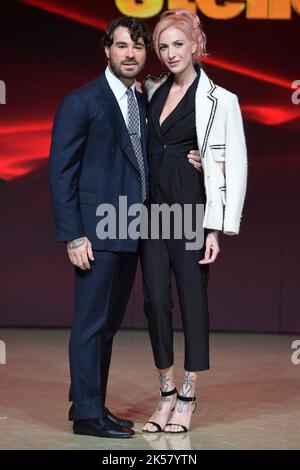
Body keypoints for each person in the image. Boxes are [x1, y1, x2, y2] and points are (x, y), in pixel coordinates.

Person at [48, 16, 200, 439]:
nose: (130, 54)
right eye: (121, 46)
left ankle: (91, 403)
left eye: (137, 47)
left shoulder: (145, 99)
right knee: (90, 324)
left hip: (132, 230)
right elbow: (62, 174)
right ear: (106, 51)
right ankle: (86, 415)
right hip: (95, 234)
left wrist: (198, 160)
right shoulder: (82, 101)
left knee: (108, 325)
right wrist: (73, 234)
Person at [142, 8, 247, 433]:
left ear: (195, 44)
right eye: (162, 46)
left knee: (191, 303)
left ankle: (188, 393)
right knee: (153, 302)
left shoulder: (221, 100)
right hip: (151, 215)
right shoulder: (150, 92)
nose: (170, 53)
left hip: (191, 213)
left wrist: (217, 227)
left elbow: (234, 163)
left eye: (177, 44)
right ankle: (165, 391)